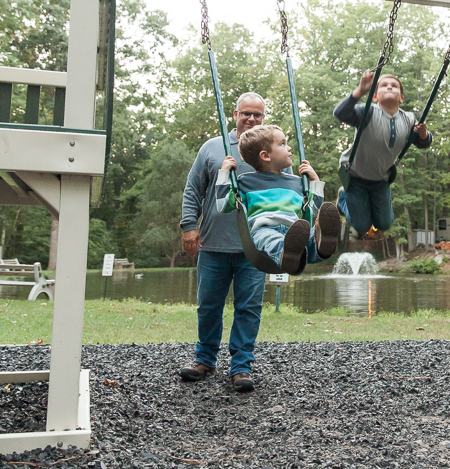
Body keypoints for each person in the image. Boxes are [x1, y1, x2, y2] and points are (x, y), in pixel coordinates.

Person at [179, 92, 272, 392]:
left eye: (257, 115)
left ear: (263, 117)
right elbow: (193, 189)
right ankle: (204, 359)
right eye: (246, 113)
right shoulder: (212, 148)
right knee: (208, 306)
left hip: (254, 247)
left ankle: (241, 365)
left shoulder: (269, 150)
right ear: (235, 114)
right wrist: (188, 227)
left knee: (249, 307)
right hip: (213, 244)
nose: (252, 119)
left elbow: (282, 192)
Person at [216, 124, 340, 274]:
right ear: (265, 156)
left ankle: (321, 242)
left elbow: (314, 209)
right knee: (270, 239)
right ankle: (286, 254)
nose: (289, 148)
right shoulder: (246, 182)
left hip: (295, 230)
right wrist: (223, 173)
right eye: (282, 144)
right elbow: (222, 205)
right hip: (264, 230)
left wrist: (315, 181)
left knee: (309, 235)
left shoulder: (297, 182)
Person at [334, 71, 432, 236]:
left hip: (381, 179)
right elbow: (340, 113)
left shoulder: (408, 119)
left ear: (401, 98)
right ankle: (343, 199)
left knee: (385, 224)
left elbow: (424, 143)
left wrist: (423, 133)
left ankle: (353, 201)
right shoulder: (368, 113)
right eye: (384, 85)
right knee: (362, 226)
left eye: (394, 86)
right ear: (375, 97)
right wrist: (360, 91)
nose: (389, 87)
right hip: (356, 176)